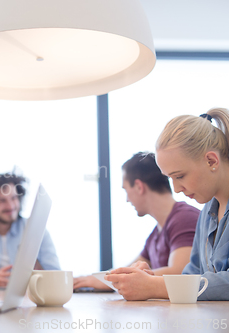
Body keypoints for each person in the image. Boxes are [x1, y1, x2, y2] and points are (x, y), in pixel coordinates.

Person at [106, 108, 229, 301]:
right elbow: (192, 275)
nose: (177, 189)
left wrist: (154, 286)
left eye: (180, 176)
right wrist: (149, 278)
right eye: (170, 178)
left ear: (211, 160)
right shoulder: (206, 214)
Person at [73, 152, 199, 290]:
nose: (127, 199)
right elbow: (129, 270)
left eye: (126, 190)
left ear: (139, 186)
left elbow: (180, 273)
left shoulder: (184, 219)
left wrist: (109, 279)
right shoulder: (155, 234)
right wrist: (97, 279)